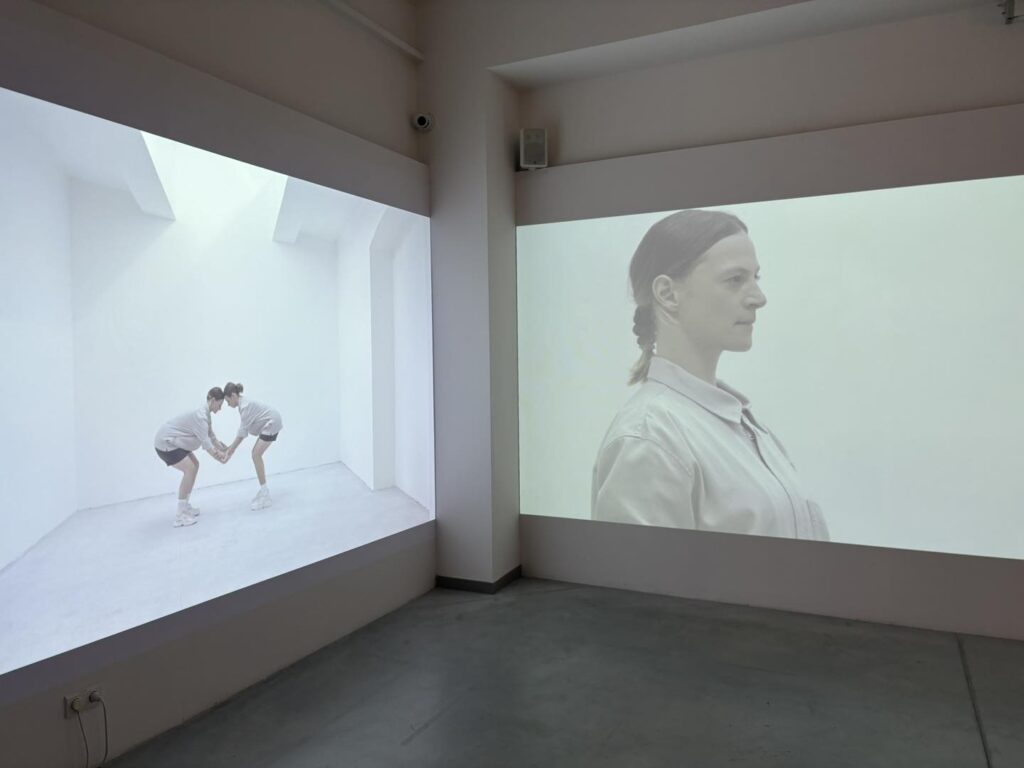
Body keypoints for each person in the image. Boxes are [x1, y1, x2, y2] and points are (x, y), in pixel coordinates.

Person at [591, 209, 829, 540]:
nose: (759, 298)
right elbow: (638, 573)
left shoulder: (739, 424)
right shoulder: (650, 437)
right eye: (735, 279)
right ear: (667, 294)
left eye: (756, 277)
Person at [154, 387, 229, 527]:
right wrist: (221, 458)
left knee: (195, 465)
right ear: (213, 400)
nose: (220, 409)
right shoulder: (201, 416)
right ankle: (180, 515)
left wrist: (224, 448)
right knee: (189, 469)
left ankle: (185, 506)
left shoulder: (206, 414)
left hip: (175, 442)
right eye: (219, 405)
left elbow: (211, 436)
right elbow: (207, 445)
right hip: (165, 443)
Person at [222, 382, 283, 510]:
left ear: (233, 395)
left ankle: (265, 494)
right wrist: (230, 448)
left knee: (256, 455)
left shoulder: (245, 406)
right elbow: (243, 430)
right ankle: (264, 490)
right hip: (271, 422)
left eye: (227, 401)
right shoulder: (243, 404)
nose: (228, 404)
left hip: (272, 422)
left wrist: (230, 450)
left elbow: (242, 433)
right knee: (256, 454)